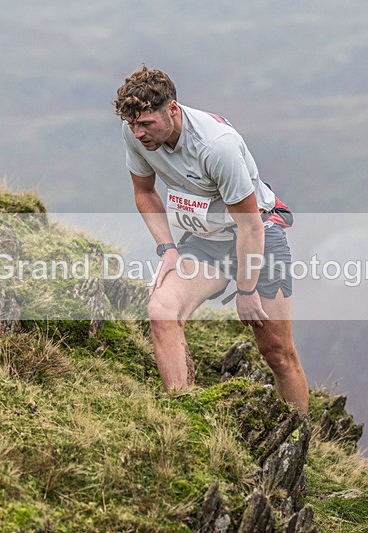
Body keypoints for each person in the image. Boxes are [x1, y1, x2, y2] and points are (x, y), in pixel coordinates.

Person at [114, 65, 308, 414]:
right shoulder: (135, 134)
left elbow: (250, 227)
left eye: (146, 123)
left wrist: (246, 291)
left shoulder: (217, 147)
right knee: (162, 311)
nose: (138, 133)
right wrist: (168, 249)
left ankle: (300, 448)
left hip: (258, 235)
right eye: (132, 124)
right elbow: (144, 192)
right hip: (207, 240)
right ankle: (184, 417)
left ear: (172, 109)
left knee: (278, 354)